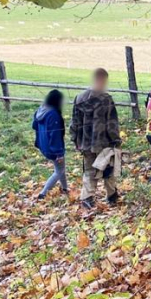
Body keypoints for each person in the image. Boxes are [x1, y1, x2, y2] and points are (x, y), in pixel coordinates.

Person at [70, 68, 122, 209]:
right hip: (104, 143)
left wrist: (75, 140)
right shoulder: (106, 100)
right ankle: (111, 196)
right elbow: (112, 124)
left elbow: (74, 123)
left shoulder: (79, 98)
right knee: (108, 170)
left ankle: (87, 198)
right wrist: (116, 141)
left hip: (85, 143)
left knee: (89, 171)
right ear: (103, 80)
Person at [32, 90, 68, 199]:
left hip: (44, 146)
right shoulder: (53, 115)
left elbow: (34, 125)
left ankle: (65, 188)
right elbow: (55, 135)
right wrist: (59, 153)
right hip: (52, 148)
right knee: (59, 170)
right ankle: (43, 193)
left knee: (61, 168)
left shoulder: (41, 110)